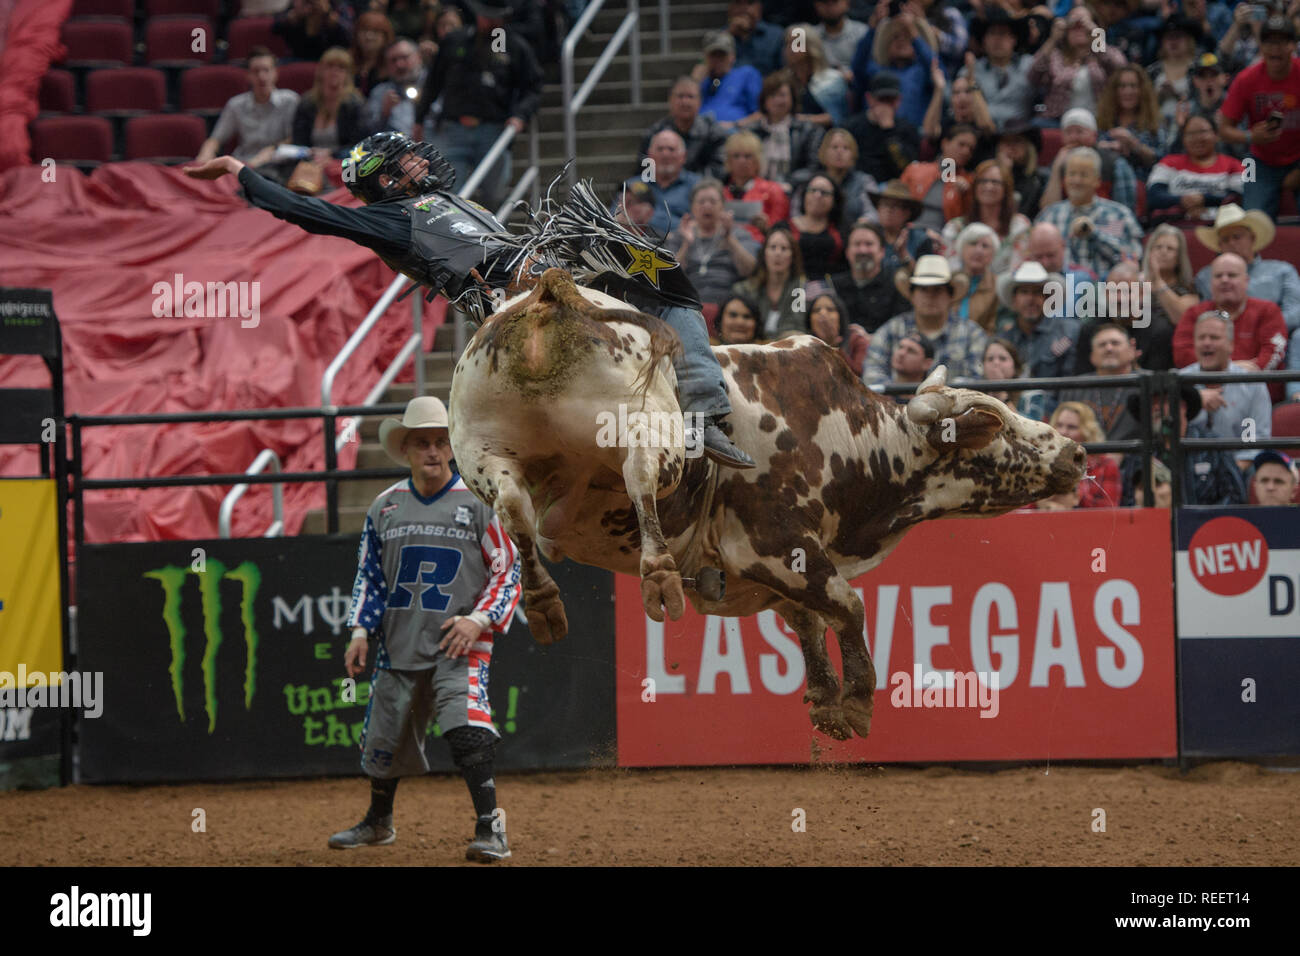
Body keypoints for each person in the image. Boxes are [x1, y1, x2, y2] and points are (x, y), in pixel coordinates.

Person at [184, 132, 756, 468]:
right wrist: (240, 170)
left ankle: (701, 411)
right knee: (663, 279)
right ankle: (687, 420)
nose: (421, 161)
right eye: (406, 160)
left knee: (667, 275)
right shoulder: (388, 220)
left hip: (547, 258)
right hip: (513, 291)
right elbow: (310, 212)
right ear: (386, 180)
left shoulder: (446, 199)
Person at [331, 395, 521, 860]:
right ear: (407, 449)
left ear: (452, 447)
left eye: (440, 441)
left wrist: (478, 620)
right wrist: (360, 631)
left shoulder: (480, 503)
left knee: (467, 728)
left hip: (460, 645)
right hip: (398, 645)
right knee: (382, 740)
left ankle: (490, 828)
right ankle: (379, 822)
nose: (432, 451)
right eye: (422, 443)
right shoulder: (384, 507)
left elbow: (508, 571)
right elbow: (369, 577)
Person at [416, 4, 544, 211]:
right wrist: (419, 119)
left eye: (495, 17)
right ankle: (456, 239)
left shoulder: (514, 46)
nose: (490, 21)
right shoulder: (455, 40)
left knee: (493, 195)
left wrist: (520, 115)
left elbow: (533, 87)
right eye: (486, 16)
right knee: (449, 194)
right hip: (452, 128)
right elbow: (433, 83)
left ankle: (489, 238)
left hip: (493, 130)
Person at [1217, 15, 1300, 217]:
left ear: (1293, 46)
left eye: (1282, 42)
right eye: (1269, 42)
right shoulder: (1246, 79)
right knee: (1251, 218)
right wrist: (1250, 137)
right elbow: (1223, 128)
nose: (1275, 48)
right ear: (1260, 46)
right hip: (1256, 159)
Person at [862, 254, 988, 384]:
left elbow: (977, 378)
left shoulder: (972, 334)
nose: (930, 296)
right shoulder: (890, 330)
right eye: (923, 290)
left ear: (950, 296)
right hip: (897, 403)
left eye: (937, 290)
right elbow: (872, 374)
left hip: (954, 404)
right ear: (912, 295)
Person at [1173, 253, 1290, 379]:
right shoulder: (1194, 314)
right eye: (1218, 276)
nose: (1224, 280)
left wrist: (1242, 373)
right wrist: (1230, 369)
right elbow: (1181, 354)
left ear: (1246, 281)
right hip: (1204, 392)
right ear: (1210, 282)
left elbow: (1274, 351)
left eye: (1232, 275)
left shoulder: (1268, 311)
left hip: (1258, 390)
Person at [1180, 308, 1274, 464]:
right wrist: (1194, 400)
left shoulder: (1251, 384)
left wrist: (1228, 475)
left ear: (1231, 345)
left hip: (1236, 469)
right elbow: (1167, 436)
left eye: (1214, 337)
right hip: (1187, 469)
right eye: (1201, 337)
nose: (1207, 343)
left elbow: (1252, 441)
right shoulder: (1179, 381)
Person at [1036, 147, 1144, 281]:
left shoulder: (1116, 215)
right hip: (1057, 292)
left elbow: (1131, 259)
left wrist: (1094, 233)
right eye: (1072, 174)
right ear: (1065, 179)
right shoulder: (1049, 216)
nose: (1076, 180)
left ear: (1097, 180)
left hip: (1105, 293)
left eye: (1083, 175)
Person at [1126, 385, 1247, 504]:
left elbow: (1235, 495)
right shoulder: (1140, 452)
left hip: (1206, 522)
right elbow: (1128, 502)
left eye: (1164, 401)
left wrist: (1205, 520)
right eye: (1150, 404)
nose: (1157, 407)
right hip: (1156, 522)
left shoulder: (1212, 445)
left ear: (1183, 406)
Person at [1192, 204, 1300, 333]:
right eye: (1225, 239)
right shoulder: (1206, 276)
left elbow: (1295, 313)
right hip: (1225, 341)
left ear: (1252, 238)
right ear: (1219, 246)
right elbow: (1204, 315)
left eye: (1237, 237)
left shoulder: (1283, 271)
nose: (1232, 243)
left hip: (1276, 338)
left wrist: (1259, 330)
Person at [668, 178, 760, 319]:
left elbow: (749, 270)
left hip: (728, 306)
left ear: (722, 206)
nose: (707, 206)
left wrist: (730, 239)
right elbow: (670, 277)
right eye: (701, 202)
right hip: (689, 304)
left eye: (712, 201)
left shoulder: (738, 233)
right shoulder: (679, 236)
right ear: (692, 208)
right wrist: (686, 244)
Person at [194, 48, 299, 166]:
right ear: (248, 75)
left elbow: (295, 138)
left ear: (275, 73)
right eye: (255, 71)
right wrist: (205, 154)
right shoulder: (236, 104)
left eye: (266, 70)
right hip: (244, 166)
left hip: (278, 164)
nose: (261, 76)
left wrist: (271, 150)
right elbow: (215, 139)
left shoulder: (290, 100)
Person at [1028, 6, 1127, 127]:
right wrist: (1053, 38)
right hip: (1057, 121)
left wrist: (1097, 35)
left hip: (1097, 121)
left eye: (1084, 26)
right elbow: (1032, 76)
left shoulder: (1103, 54)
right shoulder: (1055, 56)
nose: (1079, 29)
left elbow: (1121, 70)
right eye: (1073, 27)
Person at [1146, 114, 1245, 224]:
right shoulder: (1168, 162)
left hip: (1222, 227)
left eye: (1202, 132)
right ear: (1183, 139)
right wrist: (1182, 201)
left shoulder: (1234, 165)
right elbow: (1154, 196)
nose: (1197, 138)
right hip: (1176, 227)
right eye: (1191, 134)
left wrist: (1204, 199)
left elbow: (1237, 199)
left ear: (1216, 135)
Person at [1037, 109, 1138, 214]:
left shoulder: (1115, 163)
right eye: (1068, 132)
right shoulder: (1057, 163)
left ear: (1094, 135)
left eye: (1079, 131)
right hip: (1064, 225)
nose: (1074, 137)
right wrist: (1056, 169)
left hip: (1105, 223)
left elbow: (1124, 211)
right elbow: (1047, 212)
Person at [994, 260, 1078, 384]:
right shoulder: (1003, 341)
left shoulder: (1070, 332)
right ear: (1014, 300)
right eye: (1024, 292)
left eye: (1037, 292)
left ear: (1048, 299)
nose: (1030, 299)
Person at [940, 158, 1031, 274]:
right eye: (982, 181)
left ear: (1006, 189)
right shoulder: (955, 227)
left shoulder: (1019, 226)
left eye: (995, 182)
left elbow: (1019, 270)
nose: (988, 187)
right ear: (975, 187)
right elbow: (950, 269)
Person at [1058, 322, 1143, 441]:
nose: (1109, 348)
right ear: (1092, 356)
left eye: (1115, 343)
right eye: (1102, 345)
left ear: (1131, 349)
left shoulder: (1148, 383)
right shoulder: (1073, 387)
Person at [853, 10, 937, 129]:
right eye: (895, 37)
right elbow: (858, 67)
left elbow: (936, 67)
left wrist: (914, 34)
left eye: (907, 36)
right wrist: (872, 30)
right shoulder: (876, 70)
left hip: (913, 135)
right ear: (887, 45)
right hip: (875, 134)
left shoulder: (922, 71)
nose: (901, 40)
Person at [740, 71, 825, 186]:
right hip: (755, 190)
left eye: (782, 95)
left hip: (793, 189)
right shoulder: (750, 131)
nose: (777, 100)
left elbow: (813, 168)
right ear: (764, 100)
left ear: (792, 98)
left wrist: (784, 183)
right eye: (772, 95)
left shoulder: (809, 130)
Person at [787, 127, 878, 231]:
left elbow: (873, 213)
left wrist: (862, 224)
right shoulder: (810, 180)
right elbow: (795, 212)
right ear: (823, 152)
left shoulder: (864, 181)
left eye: (846, 148)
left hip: (852, 234)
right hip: (811, 233)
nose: (840, 152)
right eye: (834, 147)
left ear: (853, 155)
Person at [830, 219, 909, 333]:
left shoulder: (896, 286)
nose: (863, 250)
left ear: (882, 251)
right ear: (847, 252)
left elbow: (901, 328)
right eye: (857, 244)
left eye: (869, 244)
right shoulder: (832, 286)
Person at [640, 77, 727, 180]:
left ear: (700, 102)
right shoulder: (655, 133)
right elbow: (645, 172)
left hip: (702, 190)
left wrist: (687, 185)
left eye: (690, 96)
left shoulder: (714, 133)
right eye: (680, 96)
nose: (685, 102)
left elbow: (718, 171)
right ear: (670, 100)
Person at [291, 47, 371, 159]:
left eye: (341, 68)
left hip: (344, 165)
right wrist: (309, 153)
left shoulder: (356, 105)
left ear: (348, 74)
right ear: (320, 71)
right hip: (310, 161)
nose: (335, 71)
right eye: (330, 66)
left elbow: (360, 147)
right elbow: (298, 141)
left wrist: (331, 154)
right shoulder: (307, 103)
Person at [843, 71, 921, 184]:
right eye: (881, 99)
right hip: (858, 186)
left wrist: (889, 131)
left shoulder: (907, 129)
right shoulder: (851, 127)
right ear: (869, 99)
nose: (885, 105)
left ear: (898, 101)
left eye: (890, 100)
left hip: (893, 189)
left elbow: (906, 167)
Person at [731, 224, 807, 339]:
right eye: (772, 247)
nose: (778, 253)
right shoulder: (745, 289)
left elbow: (795, 326)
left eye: (784, 248)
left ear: (793, 256)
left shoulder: (800, 288)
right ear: (764, 254)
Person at [623, 129, 701, 239]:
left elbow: (706, 224)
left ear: (683, 156)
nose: (665, 154)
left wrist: (652, 219)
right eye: (660, 149)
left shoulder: (698, 186)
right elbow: (614, 219)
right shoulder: (632, 185)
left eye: (671, 149)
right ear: (650, 155)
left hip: (683, 247)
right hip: (640, 247)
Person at [968, 8, 1037, 130]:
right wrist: (971, 79)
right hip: (981, 134)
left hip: (1020, 133)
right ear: (984, 40)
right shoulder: (972, 69)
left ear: (1014, 39)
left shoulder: (1029, 64)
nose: (997, 39)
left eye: (1003, 33)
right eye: (992, 33)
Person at [900, 122, 977, 230]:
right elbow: (897, 203)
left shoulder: (969, 182)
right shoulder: (915, 170)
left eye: (971, 149)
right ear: (945, 144)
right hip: (909, 231)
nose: (966, 151)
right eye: (961, 144)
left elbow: (968, 221)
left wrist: (966, 195)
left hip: (944, 238)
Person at [721, 131, 790, 242]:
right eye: (736, 156)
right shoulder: (720, 193)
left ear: (757, 160)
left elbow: (781, 235)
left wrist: (766, 229)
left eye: (748, 156)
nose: (742, 161)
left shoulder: (774, 191)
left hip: (760, 247)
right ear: (729, 161)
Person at [1095, 65, 1162, 179]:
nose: (1128, 91)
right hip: (1105, 179)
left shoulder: (1153, 122)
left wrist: (1133, 144)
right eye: (1122, 86)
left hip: (1140, 181)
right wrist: (1103, 147)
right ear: (1114, 91)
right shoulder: (1102, 121)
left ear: (1142, 90)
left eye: (1133, 86)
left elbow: (1161, 159)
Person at [1049, 401, 1121, 507]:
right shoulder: (1042, 461)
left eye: (1072, 427)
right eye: (1059, 425)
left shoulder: (1106, 465)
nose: (1063, 432)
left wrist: (1074, 496)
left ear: (1087, 431)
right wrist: (1040, 500)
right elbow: (1024, 507)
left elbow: (1110, 511)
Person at [781, 23, 850, 128]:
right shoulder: (782, 80)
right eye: (787, 44)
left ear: (810, 46)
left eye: (796, 43)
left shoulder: (832, 79)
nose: (789, 49)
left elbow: (838, 117)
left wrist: (802, 120)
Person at [785, 174, 844, 279]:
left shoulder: (843, 230)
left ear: (834, 200)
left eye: (824, 192)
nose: (817, 195)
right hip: (791, 287)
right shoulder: (784, 227)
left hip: (830, 287)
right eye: (812, 190)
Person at [699, 30, 763, 125]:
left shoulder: (746, 74)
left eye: (722, 55)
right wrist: (696, 82)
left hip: (736, 133)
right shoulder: (702, 81)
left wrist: (736, 125)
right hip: (702, 132)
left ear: (732, 56)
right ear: (705, 58)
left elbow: (761, 114)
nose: (717, 60)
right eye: (713, 55)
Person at [869, 179, 935, 271]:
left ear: (907, 213)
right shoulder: (870, 237)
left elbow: (925, 278)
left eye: (894, 206)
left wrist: (904, 254)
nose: (888, 210)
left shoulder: (921, 240)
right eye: (884, 204)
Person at [365, 39, 425, 137]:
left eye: (405, 57)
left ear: (418, 57)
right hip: (398, 149)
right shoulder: (380, 92)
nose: (399, 65)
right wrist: (384, 113)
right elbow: (369, 135)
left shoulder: (434, 84)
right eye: (393, 60)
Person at [805, 285, 870, 375]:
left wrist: (835, 349)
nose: (823, 313)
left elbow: (859, 375)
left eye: (830, 309)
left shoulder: (857, 340)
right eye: (816, 310)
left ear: (841, 316)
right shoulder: (803, 345)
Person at [982, 336, 1050, 422]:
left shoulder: (1032, 394)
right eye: (990, 359)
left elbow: (1031, 429)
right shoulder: (974, 394)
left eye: (1003, 358)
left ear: (1015, 366)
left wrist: (1001, 394)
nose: (996, 363)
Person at [949, 221, 999, 334]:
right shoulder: (948, 281)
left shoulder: (997, 286)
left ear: (992, 255)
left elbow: (993, 328)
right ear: (961, 249)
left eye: (985, 246)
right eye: (973, 243)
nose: (978, 250)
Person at [273, 0, 353, 63]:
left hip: (329, 57)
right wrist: (292, 17)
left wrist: (328, 14)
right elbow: (274, 28)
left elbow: (350, 35)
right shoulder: (299, 4)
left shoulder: (335, 5)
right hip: (297, 56)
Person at [996, 121, 1048, 217]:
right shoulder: (987, 176)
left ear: (1028, 147)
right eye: (1006, 142)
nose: (1011, 146)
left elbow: (1024, 212)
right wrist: (1003, 173)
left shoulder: (1039, 179)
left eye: (1017, 141)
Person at [722, 0, 784, 75]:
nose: (744, 8)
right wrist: (728, 34)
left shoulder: (776, 35)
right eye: (738, 3)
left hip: (766, 85)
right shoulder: (721, 36)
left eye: (750, 3)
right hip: (729, 85)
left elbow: (785, 71)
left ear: (759, 7)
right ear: (730, 8)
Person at [813, 0, 868, 74]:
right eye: (824, 2)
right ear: (816, 6)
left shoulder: (863, 32)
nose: (830, 7)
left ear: (847, 3)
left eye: (835, 1)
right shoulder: (810, 36)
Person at [349, 11, 393, 98]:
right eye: (364, 31)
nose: (369, 36)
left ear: (385, 37)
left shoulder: (393, 65)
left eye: (375, 32)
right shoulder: (347, 60)